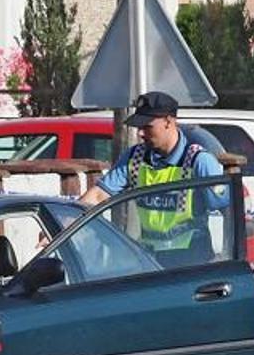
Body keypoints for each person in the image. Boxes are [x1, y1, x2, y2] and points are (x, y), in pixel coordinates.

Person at [79, 92, 227, 265]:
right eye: (139, 127)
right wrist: (64, 225)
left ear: (168, 122)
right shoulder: (134, 157)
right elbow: (98, 196)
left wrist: (229, 261)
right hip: (150, 260)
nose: (140, 133)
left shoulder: (199, 161)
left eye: (147, 126)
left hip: (192, 260)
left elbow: (226, 211)